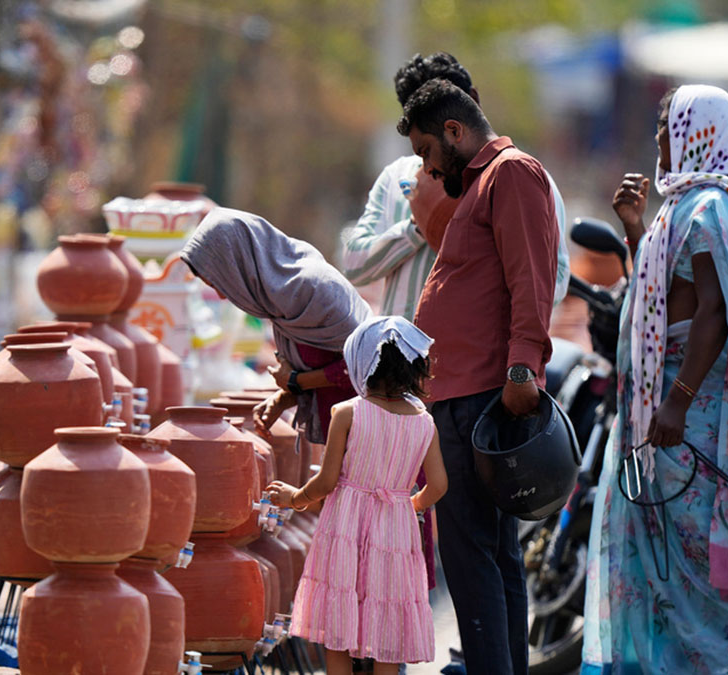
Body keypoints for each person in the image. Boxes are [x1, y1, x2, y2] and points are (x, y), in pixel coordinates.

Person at [582, 85, 728, 673]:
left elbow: (712, 311)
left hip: (691, 427)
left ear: (700, 133)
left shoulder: (714, 207)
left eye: (668, 132)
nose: (660, 144)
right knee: (665, 565)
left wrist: (677, 404)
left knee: (696, 571)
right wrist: (637, 229)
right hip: (665, 421)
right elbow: (667, 295)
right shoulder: (684, 207)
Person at [397, 78, 560, 674]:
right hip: (459, 395)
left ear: (454, 132)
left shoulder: (512, 173)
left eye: (427, 153)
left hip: (482, 395)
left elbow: (531, 277)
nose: (429, 169)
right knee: (491, 556)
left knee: (470, 558)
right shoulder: (480, 185)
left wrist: (523, 367)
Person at [264, 316, 447, 675]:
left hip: (346, 527)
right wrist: (411, 505)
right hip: (396, 529)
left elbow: (327, 481)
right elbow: (439, 485)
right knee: (388, 627)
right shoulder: (424, 422)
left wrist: (293, 498)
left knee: (339, 631)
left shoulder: (347, 413)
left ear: (361, 362)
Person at [341, 52, 570, 319]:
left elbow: (555, 283)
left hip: (481, 356)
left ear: (470, 101)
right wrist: (419, 226)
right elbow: (354, 265)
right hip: (398, 353)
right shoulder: (396, 178)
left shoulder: (524, 178)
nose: (428, 166)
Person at [179, 207, 371, 445]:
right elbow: (321, 363)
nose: (220, 296)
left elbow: (368, 364)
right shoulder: (277, 300)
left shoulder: (312, 290)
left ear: (240, 263)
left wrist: (295, 382)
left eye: (220, 283)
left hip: (373, 445)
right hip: (342, 438)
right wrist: (284, 398)